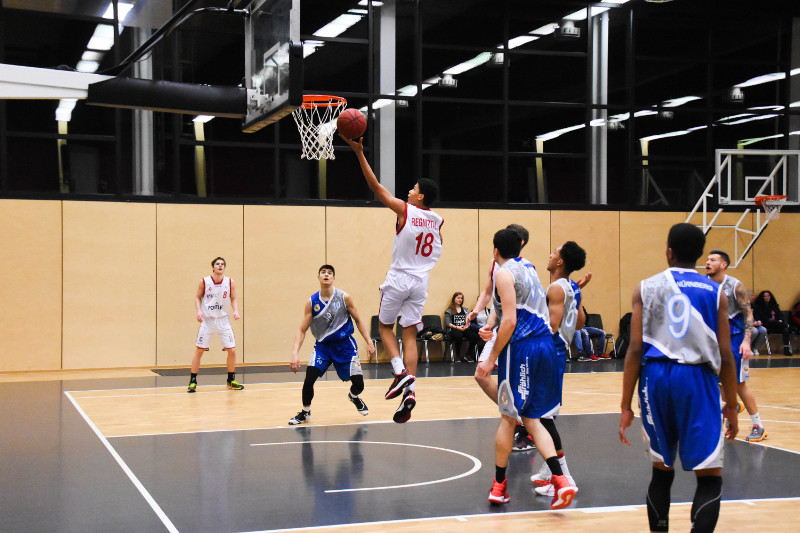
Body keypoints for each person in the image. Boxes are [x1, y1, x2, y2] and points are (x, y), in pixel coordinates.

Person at [620, 223, 739, 533]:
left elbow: (633, 349)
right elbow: (726, 355)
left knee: (662, 471)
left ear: (668, 251)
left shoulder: (644, 287)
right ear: (701, 255)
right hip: (697, 380)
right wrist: (732, 404)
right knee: (709, 477)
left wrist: (625, 405)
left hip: (656, 378)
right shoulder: (716, 293)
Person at [340, 134, 443, 424]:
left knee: (385, 327)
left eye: (413, 188)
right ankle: (410, 390)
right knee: (408, 333)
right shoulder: (436, 220)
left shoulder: (405, 210)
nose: (409, 191)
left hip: (399, 277)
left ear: (420, 196)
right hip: (421, 282)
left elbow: (375, 187)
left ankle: (399, 372)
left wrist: (359, 152)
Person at [477, 228, 576, 510]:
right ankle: (561, 479)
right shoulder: (529, 267)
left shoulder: (502, 273)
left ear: (496, 252)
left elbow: (510, 320)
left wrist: (490, 357)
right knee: (533, 418)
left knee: (509, 418)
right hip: (547, 346)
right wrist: (490, 325)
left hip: (522, 348)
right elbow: (516, 307)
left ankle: (499, 486)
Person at [531, 241, 586, 499]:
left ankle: (563, 476)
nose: (550, 254)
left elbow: (551, 327)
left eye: (554, 252)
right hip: (560, 351)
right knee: (545, 415)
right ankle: (547, 471)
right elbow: (581, 321)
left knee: (543, 417)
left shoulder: (555, 288)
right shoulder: (571, 287)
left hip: (550, 352)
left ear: (560, 261)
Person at [288, 265, 376, 425]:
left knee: (359, 384)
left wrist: (369, 342)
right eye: (323, 272)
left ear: (334, 278)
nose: (326, 275)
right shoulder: (311, 302)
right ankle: (305, 412)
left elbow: (358, 320)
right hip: (323, 348)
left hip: (345, 347)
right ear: (318, 278)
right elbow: (302, 330)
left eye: (329, 273)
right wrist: (295, 352)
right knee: (309, 379)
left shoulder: (344, 297)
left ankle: (354, 396)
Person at [706, 250, 767, 443]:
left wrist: (747, 341)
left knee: (739, 384)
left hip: (735, 339)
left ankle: (758, 425)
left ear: (723, 265)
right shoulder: (704, 284)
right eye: (707, 259)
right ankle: (733, 403)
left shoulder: (734, 286)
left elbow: (748, 314)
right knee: (710, 379)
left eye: (713, 260)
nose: (708, 262)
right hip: (715, 341)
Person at [187, 257, 243, 393]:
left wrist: (235, 310)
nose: (220, 266)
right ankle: (192, 381)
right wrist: (199, 311)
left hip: (223, 321)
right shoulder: (204, 282)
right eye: (217, 264)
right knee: (199, 351)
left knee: (232, 350)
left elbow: (233, 298)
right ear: (212, 267)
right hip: (208, 321)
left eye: (222, 264)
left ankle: (231, 379)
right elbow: (197, 297)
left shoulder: (229, 282)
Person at [753, 290, 793, 356]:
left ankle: (786, 348)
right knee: (772, 321)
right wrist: (777, 321)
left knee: (785, 330)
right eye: (765, 296)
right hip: (766, 324)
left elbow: (780, 315)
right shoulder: (759, 307)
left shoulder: (774, 305)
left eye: (768, 296)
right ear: (762, 297)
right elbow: (764, 318)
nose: (767, 297)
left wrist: (780, 320)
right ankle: (790, 327)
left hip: (777, 325)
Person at [444, 292, 481, 362]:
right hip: (454, 329)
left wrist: (466, 326)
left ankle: (468, 354)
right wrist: (458, 327)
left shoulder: (465, 310)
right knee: (458, 335)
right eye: (458, 298)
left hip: (464, 328)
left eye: (461, 298)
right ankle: (457, 356)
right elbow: (447, 323)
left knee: (475, 336)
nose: (460, 300)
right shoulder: (449, 311)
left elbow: (468, 320)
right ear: (454, 299)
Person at [748, 290, 768, 355]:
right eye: (752, 295)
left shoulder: (754, 306)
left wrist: (758, 321)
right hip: (746, 325)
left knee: (763, 330)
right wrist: (751, 323)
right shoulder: (743, 306)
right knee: (754, 331)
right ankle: (748, 347)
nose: (753, 297)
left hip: (754, 324)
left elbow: (757, 316)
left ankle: (755, 347)